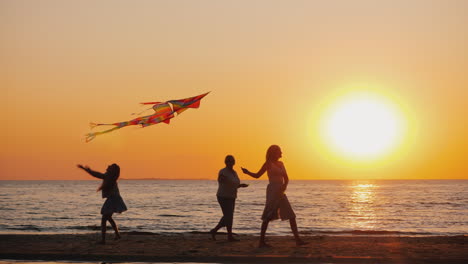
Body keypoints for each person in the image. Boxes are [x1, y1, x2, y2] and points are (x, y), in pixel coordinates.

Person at [241, 145, 306, 247]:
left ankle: (298, 240)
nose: (281, 153)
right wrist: (247, 172)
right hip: (272, 191)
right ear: (273, 152)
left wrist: (284, 186)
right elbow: (257, 175)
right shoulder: (268, 164)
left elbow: (286, 178)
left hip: (281, 191)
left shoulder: (281, 163)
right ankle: (261, 242)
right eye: (279, 151)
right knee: (268, 215)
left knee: (291, 215)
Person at [77, 163, 127, 244]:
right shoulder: (110, 177)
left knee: (104, 218)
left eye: (109, 167)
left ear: (112, 170)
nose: (107, 167)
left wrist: (85, 169)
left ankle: (103, 240)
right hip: (114, 199)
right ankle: (117, 235)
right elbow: (97, 174)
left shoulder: (109, 177)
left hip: (113, 199)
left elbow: (96, 175)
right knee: (108, 217)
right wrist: (87, 170)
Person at [210, 155, 248, 241]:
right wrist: (223, 180)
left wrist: (240, 185)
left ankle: (215, 231)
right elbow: (221, 181)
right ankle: (228, 235)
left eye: (232, 161)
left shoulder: (234, 173)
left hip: (232, 196)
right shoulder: (223, 171)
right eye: (229, 161)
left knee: (228, 216)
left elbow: (234, 185)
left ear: (234, 162)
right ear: (226, 162)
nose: (230, 163)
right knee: (228, 216)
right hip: (223, 196)